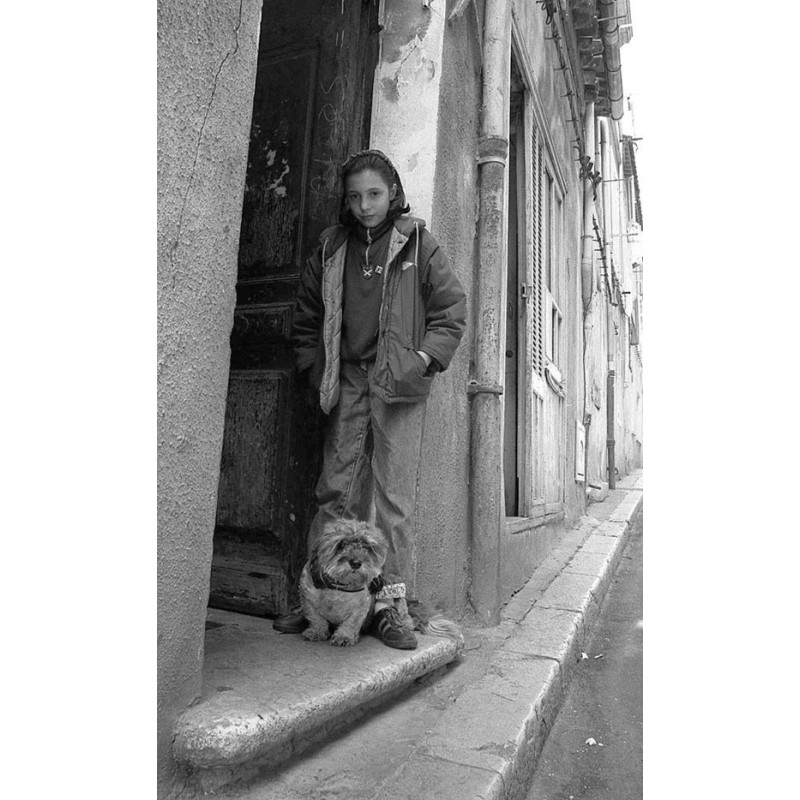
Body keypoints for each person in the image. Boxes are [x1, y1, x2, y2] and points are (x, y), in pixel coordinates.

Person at [274, 149, 467, 649]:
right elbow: (306, 313)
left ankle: (393, 608)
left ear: (394, 193)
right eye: (356, 196)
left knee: (393, 500)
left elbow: (451, 310)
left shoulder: (417, 243)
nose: (365, 205)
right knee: (334, 489)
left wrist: (422, 359)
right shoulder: (332, 247)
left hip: (397, 384)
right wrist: (312, 366)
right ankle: (317, 598)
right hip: (346, 380)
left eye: (375, 195)